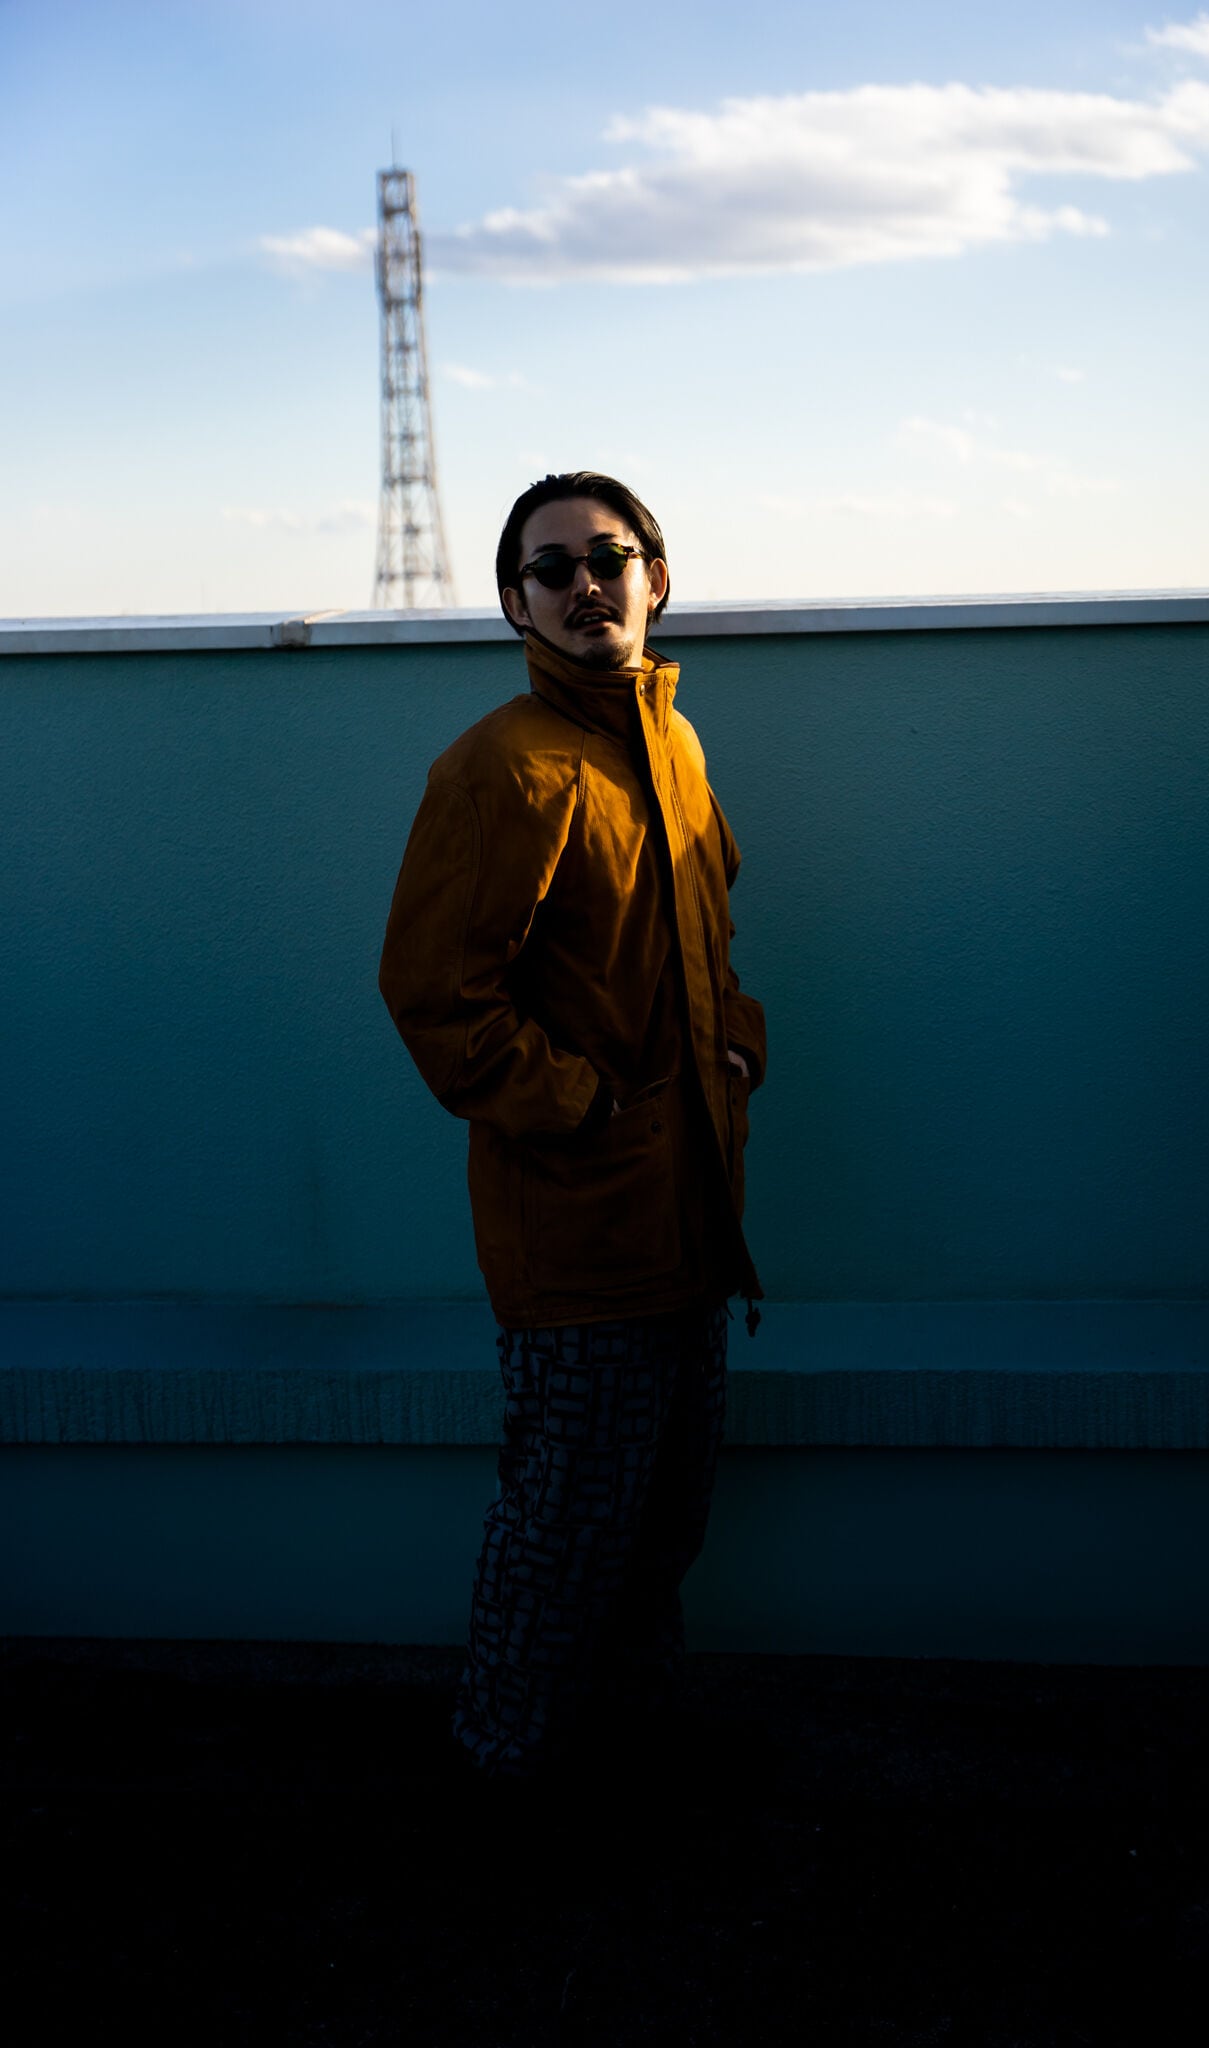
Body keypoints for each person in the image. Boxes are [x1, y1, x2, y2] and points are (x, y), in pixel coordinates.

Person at [377, 471, 766, 1793]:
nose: (586, 584)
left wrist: (738, 1044)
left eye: (610, 557)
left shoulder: (672, 745)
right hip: (581, 1232)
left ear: (658, 578)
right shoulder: (501, 769)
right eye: (553, 568)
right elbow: (438, 998)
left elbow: (708, 935)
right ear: (515, 605)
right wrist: (586, 1110)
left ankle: (630, 1757)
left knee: (661, 1524)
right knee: (563, 1529)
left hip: (693, 1213)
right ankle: (505, 1772)